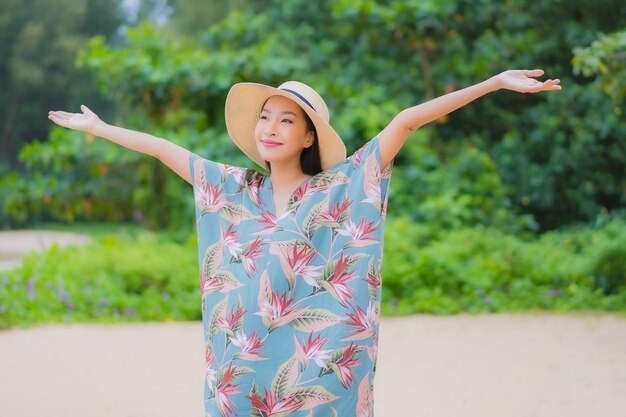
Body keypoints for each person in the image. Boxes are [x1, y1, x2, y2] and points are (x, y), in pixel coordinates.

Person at [49, 70, 560, 416]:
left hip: (320, 369)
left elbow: (406, 120)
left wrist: (492, 84)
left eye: (286, 119)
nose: (270, 128)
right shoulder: (232, 187)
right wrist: (99, 127)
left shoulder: (344, 184)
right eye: (265, 118)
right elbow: (163, 150)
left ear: (309, 135)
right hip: (243, 371)